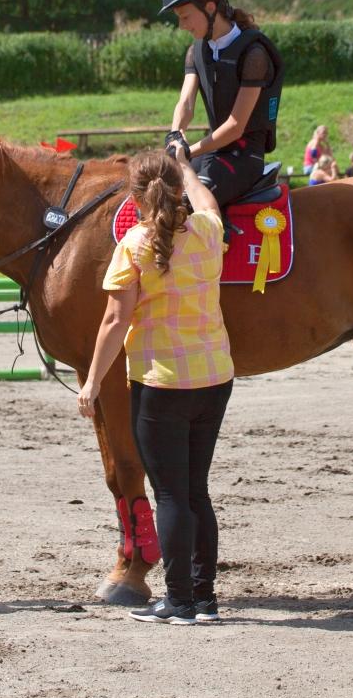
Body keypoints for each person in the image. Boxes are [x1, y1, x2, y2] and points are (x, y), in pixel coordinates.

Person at [77, 152, 235, 626]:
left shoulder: (134, 244)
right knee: (196, 491)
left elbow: (114, 320)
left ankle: (179, 601)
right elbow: (209, 205)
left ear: (134, 198)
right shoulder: (207, 232)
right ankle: (204, 599)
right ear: (179, 191)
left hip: (161, 382)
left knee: (169, 495)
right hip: (215, 376)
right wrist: (187, 168)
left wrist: (92, 381)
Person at [159, 0, 285, 207]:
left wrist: (189, 151)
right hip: (213, 151)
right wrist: (175, 136)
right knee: (158, 192)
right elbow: (186, 103)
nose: (182, 26)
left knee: (184, 205)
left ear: (210, 7)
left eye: (185, 17)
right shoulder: (196, 51)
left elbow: (236, 127)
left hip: (243, 158)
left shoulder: (254, 54)